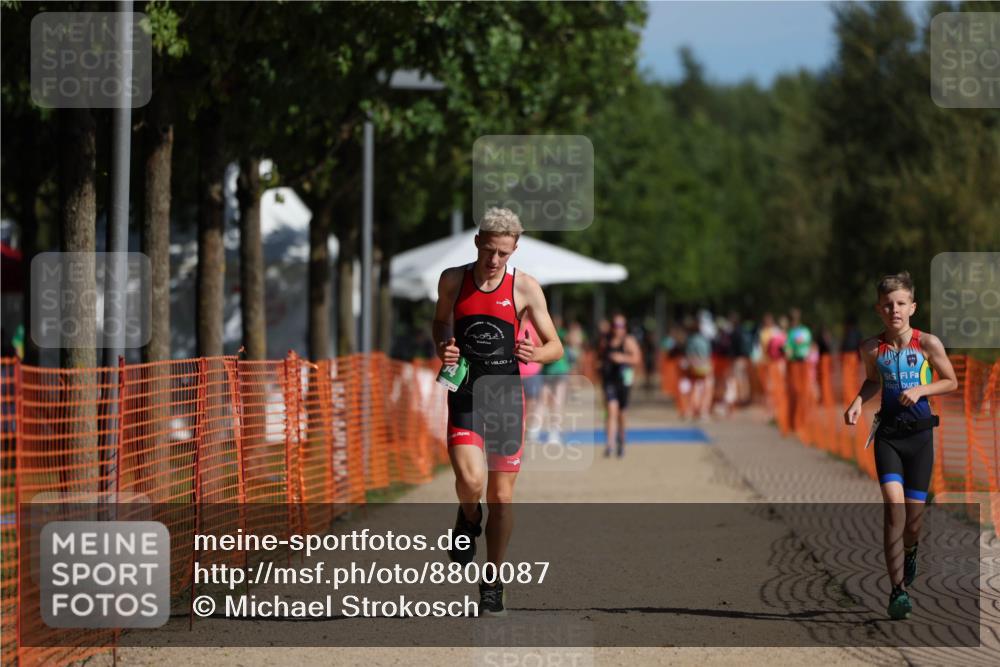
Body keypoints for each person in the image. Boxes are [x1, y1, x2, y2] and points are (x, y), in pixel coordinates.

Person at [433, 207, 563, 616]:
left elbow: (555, 346)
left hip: (505, 396)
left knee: (502, 497)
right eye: (489, 250)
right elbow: (440, 322)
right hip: (466, 389)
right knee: (470, 480)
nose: (493, 261)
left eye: (503, 254)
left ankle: (492, 580)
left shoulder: (524, 287)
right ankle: (469, 519)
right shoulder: (454, 280)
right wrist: (444, 345)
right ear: (477, 242)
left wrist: (536, 353)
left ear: (514, 249)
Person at [843, 271, 957, 620]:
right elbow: (872, 381)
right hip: (889, 436)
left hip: (920, 438)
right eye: (888, 304)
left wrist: (921, 390)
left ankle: (912, 551)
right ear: (879, 309)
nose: (895, 309)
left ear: (912, 307)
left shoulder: (927, 344)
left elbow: (950, 381)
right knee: (893, 508)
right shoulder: (871, 348)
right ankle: (897, 592)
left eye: (901, 303)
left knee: (914, 521)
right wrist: (858, 401)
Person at [598, 313, 641, 457]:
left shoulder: (628, 341)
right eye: (616, 325)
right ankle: (609, 444)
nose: (618, 329)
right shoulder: (606, 341)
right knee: (611, 410)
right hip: (609, 380)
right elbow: (600, 357)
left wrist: (622, 358)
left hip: (623, 381)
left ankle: (622, 442)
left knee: (622, 414)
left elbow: (636, 358)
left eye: (621, 326)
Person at [541, 315, 571, 444]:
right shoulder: (542, 333)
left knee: (556, 403)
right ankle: (541, 430)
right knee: (544, 402)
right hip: (547, 372)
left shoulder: (561, 334)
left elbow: (572, 340)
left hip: (560, 371)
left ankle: (554, 432)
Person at [684, 316, 713, 422]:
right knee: (705, 390)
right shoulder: (704, 339)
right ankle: (703, 412)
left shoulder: (691, 340)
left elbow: (689, 354)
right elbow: (708, 353)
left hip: (694, 365)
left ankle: (691, 411)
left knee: (693, 389)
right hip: (704, 365)